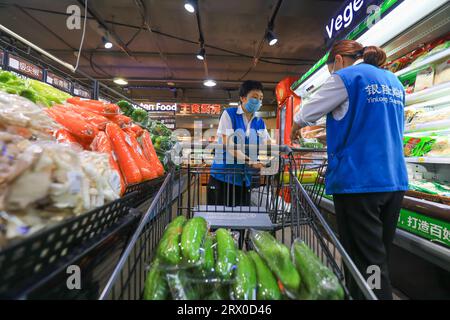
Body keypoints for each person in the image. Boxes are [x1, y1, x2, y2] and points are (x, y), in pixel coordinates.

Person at [290, 40, 408, 300]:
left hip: (360, 182)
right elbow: (375, 127)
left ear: (339, 60)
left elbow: (305, 113)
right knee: (376, 257)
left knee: (365, 260)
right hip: (394, 181)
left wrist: (295, 128)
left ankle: (374, 296)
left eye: (331, 69)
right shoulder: (395, 83)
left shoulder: (347, 77)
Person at [207, 80, 271, 207]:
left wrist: (268, 157)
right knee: (220, 219)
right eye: (254, 97)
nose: (258, 101)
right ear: (243, 98)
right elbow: (229, 145)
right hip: (223, 176)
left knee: (241, 219)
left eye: (261, 98)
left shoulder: (259, 122)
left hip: (244, 179)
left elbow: (268, 144)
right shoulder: (229, 114)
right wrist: (250, 161)